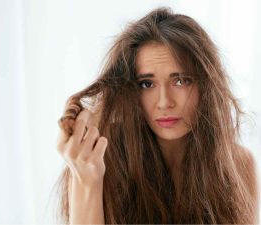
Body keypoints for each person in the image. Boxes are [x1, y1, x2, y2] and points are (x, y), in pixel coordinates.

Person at [56, 7, 259, 224]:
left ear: (207, 86)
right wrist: (87, 180)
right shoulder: (99, 159)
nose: (164, 102)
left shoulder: (237, 164)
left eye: (180, 80)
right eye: (147, 84)